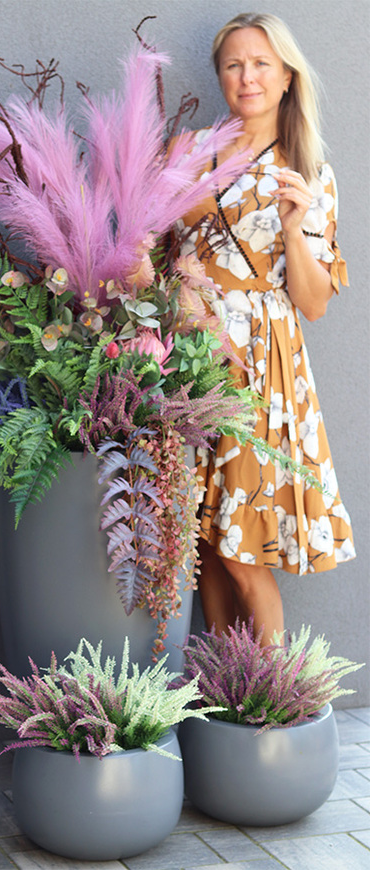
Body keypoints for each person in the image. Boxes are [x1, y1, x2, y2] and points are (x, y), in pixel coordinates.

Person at [174, 12, 356, 645]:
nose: (246, 77)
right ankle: (226, 686)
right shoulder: (187, 152)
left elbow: (313, 303)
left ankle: (272, 689)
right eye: (233, 65)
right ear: (220, 76)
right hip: (186, 356)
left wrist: (292, 227)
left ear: (286, 78)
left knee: (241, 546)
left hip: (258, 365)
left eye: (260, 64)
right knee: (202, 540)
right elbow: (150, 251)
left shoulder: (308, 170)